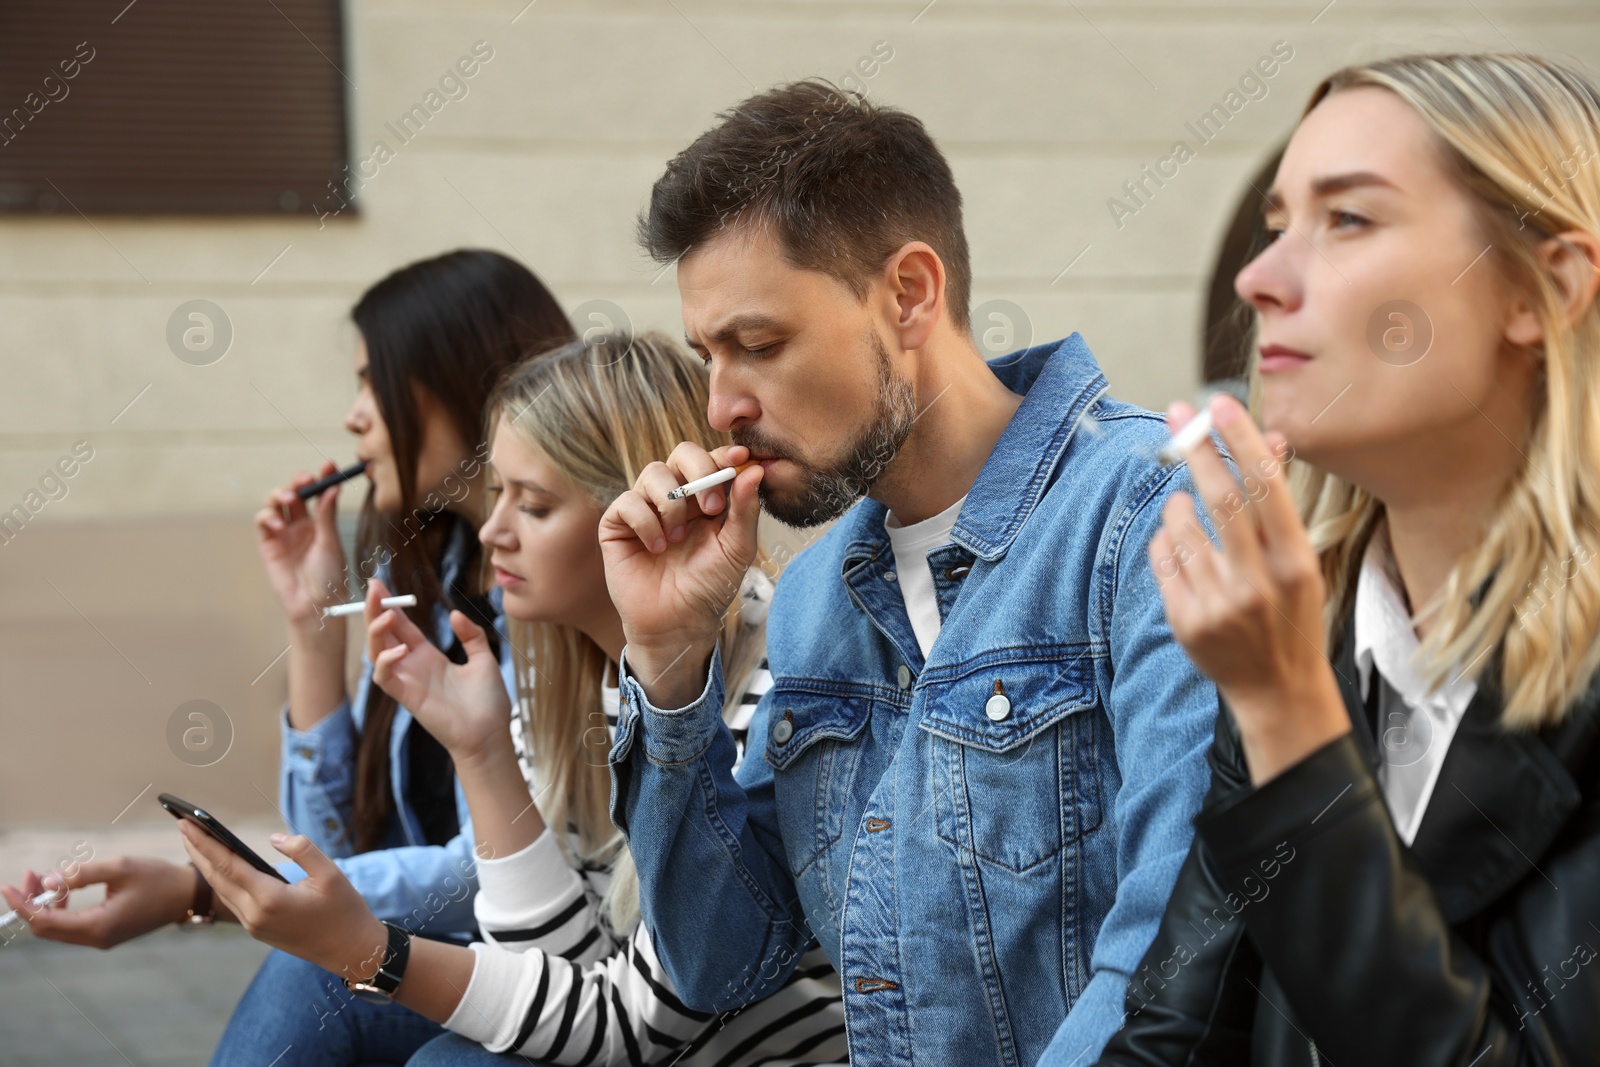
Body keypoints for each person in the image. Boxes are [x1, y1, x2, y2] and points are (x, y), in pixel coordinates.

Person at [597, 79, 1221, 1065]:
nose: (719, 405)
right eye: (706, 354)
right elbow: (726, 959)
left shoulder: (1149, 512)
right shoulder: (812, 603)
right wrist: (668, 663)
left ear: (909, 295)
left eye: (758, 344)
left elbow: (1176, 941)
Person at [1093, 53, 1600, 1066]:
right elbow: (1172, 1041)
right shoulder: (1312, 644)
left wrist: (1288, 715)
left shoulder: (1287, 675)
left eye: (1349, 219)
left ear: (1544, 285)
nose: (1258, 277)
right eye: (1277, 224)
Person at [179, 332, 848, 1067]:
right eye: (497, 494)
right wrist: (480, 747)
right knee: (314, 978)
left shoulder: (777, 675)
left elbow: (629, 1032)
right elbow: (561, 971)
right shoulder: (567, 673)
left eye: (531, 505)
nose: (492, 532)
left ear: (647, 514)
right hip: (637, 1037)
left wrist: (374, 950)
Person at [2, 249, 576, 1065]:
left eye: (374, 382)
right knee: (310, 978)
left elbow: (490, 871)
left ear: (462, 380)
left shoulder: (566, 586)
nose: (353, 417)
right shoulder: (427, 568)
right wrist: (310, 623)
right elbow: (339, 857)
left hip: (559, 975)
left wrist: (214, 891)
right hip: (459, 965)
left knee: (354, 1005)